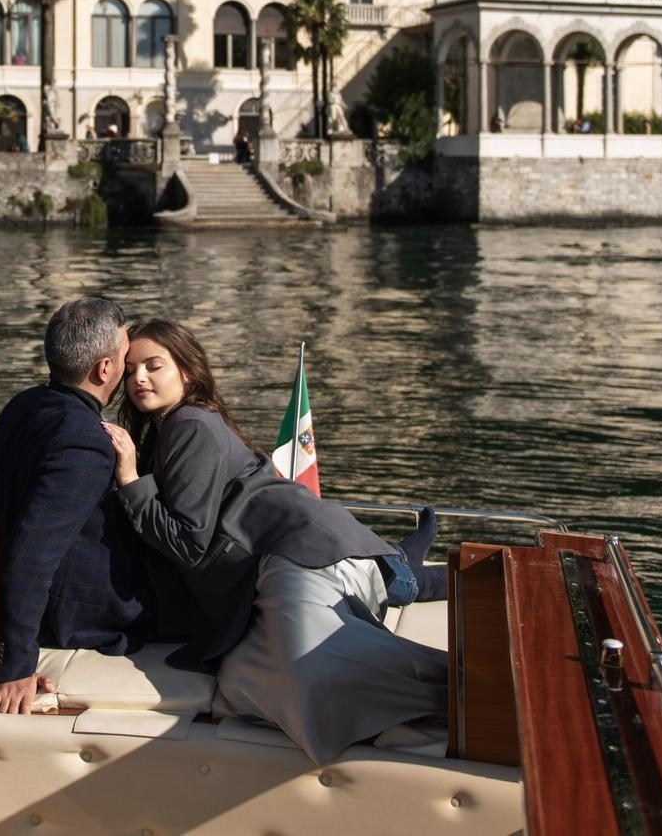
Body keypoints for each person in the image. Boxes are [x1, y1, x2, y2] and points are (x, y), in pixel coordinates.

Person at [101, 318, 447, 765]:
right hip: (278, 546)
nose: (139, 378)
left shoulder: (190, 426)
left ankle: (455, 681)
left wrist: (130, 480)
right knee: (258, 661)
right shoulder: (170, 427)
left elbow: (188, 543)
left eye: (153, 365)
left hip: (291, 545)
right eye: (130, 370)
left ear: (187, 370)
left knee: (306, 665)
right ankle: (399, 564)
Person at [0, 297, 151, 714]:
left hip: (36, 604)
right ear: (105, 369)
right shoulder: (85, 442)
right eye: (125, 356)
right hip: (75, 619)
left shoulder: (22, 406)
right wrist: (16, 664)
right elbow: (32, 554)